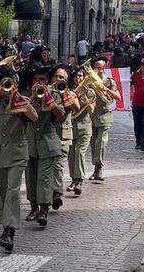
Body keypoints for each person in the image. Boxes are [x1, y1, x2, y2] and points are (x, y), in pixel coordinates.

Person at [0, 66, 37, 251]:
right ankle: (5, 227)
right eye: (6, 84)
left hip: (17, 153)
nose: (9, 88)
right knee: (3, 193)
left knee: (12, 191)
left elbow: (34, 117)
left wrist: (19, 101)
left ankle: (10, 231)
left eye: (12, 84)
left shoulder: (21, 101)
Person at [25, 65, 64, 228]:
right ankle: (33, 207)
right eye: (36, 79)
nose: (39, 82)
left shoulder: (55, 94)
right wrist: (33, 99)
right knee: (31, 177)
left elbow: (61, 116)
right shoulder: (27, 95)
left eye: (42, 79)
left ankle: (44, 209)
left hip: (48, 141)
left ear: (47, 81)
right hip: (30, 141)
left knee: (45, 177)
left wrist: (51, 102)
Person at [49, 65, 80, 211]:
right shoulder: (46, 91)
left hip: (63, 135)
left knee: (58, 165)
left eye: (62, 77)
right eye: (56, 76)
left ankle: (56, 193)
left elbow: (77, 108)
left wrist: (66, 95)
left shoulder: (69, 93)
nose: (58, 79)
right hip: (47, 134)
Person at [89, 56, 121, 178]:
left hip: (104, 114)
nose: (100, 70)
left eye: (103, 68)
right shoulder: (89, 81)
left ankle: (99, 168)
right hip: (92, 115)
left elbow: (118, 96)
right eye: (98, 68)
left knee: (101, 142)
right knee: (93, 143)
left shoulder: (109, 81)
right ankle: (95, 167)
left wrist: (106, 90)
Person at [66, 67, 95, 196]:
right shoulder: (68, 91)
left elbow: (91, 110)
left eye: (81, 76)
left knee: (79, 152)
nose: (78, 79)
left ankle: (79, 180)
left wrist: (84, 98)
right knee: (71, 155)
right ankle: (73, 179)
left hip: (84, 127)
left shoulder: (89, 92)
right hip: (70, 127)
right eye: (76, 76)